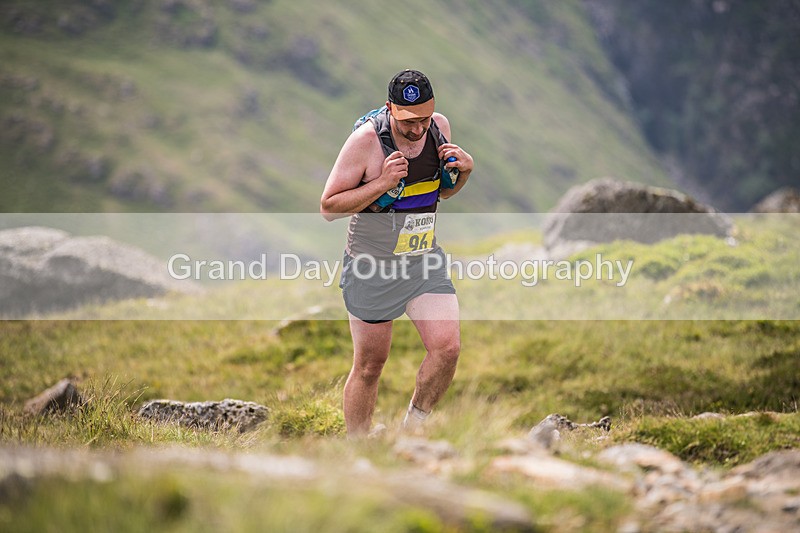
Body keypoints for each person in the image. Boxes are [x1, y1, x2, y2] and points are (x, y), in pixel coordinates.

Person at [320, 69, 474, 436]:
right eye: (408, 122)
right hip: (372, 266)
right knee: (370, 367)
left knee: (447, 349)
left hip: (422, 260)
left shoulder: (439, 129)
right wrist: (382, 183)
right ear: (390, 108)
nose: (418, 129)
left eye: (423, 118)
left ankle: (412, 431)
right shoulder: (366, 142)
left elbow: (441, 193)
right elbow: (328, 207)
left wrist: (465, 172)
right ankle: (358, 449)